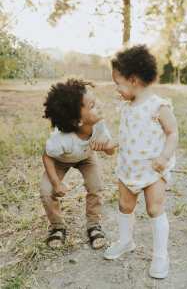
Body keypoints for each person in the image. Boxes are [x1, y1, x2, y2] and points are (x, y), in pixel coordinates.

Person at [92, 44, 178, 278]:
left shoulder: (158, 106)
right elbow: (129, 133)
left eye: (117, 83)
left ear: (133, 80)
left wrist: (164, 156)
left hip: (153, 169)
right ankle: (126, 240)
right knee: (125, 206)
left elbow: (172, 132)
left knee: (154, 209)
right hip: (128, 169)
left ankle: (161, 254)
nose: (116, 89)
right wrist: (110, 144)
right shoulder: (127, 107)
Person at [40, 78, 115, 249]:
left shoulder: (98, 123)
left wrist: (106, 142)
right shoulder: (61, 139)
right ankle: (58, 227)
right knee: (46, 190)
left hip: (86, 158)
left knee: (96, 187)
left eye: (96, 101)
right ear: (77, 122)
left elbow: (110, 152)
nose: (99, 105)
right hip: (60, 160)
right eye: (92, 105)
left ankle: (93, 224)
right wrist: (56, 182)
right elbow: (47, 156)